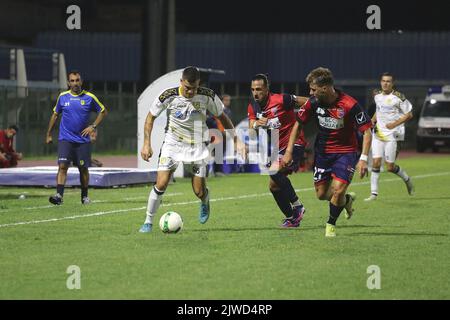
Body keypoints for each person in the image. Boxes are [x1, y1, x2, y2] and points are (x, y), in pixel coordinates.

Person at [139, 66, 246, 233]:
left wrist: (237, 141)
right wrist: (146, 143)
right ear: (181, 82)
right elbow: (150, 117)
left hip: (197, 146)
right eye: (187, 88)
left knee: (198, 191)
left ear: (199, 84)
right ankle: (148, 221)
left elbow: (222, 117)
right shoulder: (168, 95)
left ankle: (205, 199)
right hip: (172, 144)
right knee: (161, 183)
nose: (190, 92)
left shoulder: (207, 95)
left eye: (194, 88)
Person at [282, 67, 373, 237]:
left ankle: (330, 224)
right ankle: (347, 201)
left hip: (346, 152)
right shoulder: (313, 102)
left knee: (338, 190)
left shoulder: (349, 104)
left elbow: (367, 131)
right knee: (322, 194)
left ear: (325, 88)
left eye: (313, 89)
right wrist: (288, 152)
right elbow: (298, 124)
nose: (310, 92)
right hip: (323, 153)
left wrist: (363, 158)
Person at [248, 73, 309, 228]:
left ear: (267, 89)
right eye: (253, 89)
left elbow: (308, 102)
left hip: (295, 142)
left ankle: (298, 206)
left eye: (259, 89)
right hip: (278, 147)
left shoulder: (282, 100)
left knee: (274, 171)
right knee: (273, 186)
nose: (256, 93)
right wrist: (257, 124)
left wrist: (304, 117)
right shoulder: (253, 106)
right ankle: (291, 218)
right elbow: (251, 128)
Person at [46, 70, 107, 205]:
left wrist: (93, 126)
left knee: (83, 169)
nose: (75, 83)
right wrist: (49, 134)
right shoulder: (63, 97)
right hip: (65, 138)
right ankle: (59, 196)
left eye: (77, 80)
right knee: (62, 166)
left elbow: (103, 111)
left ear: (81, 81)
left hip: (82, 141)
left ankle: (84, 197)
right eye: (72, 81)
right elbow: (55, 115)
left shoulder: (89, 97)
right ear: (68, 83)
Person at [364, 72, 414, 201]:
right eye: (383, 81)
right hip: (378, 134)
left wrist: (394, 124)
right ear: (381, 82)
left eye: (388, 81)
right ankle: (373, 194)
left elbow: (409, 114)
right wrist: (371, 121)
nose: (385, 83)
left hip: (392, 135)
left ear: (393, 83)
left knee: (390, 167)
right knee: (375, 162)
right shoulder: (377, 96)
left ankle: (407, 180)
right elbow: (378, 111)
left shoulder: (399, 97)